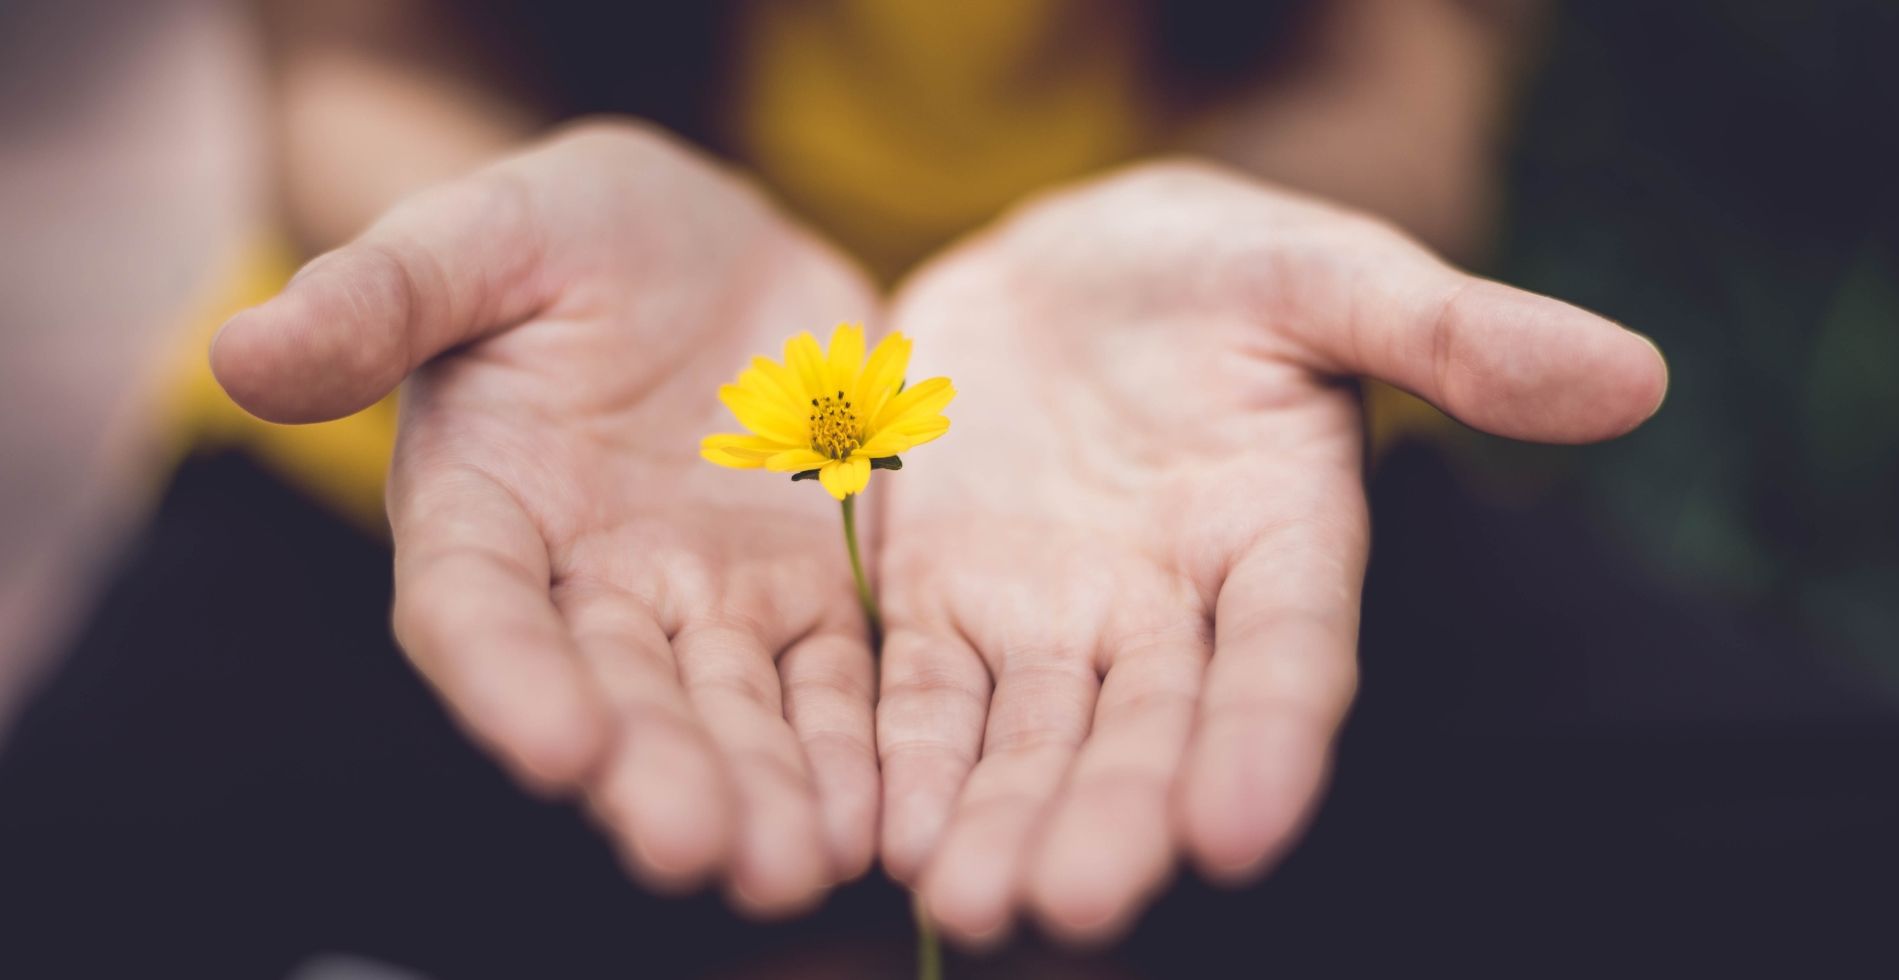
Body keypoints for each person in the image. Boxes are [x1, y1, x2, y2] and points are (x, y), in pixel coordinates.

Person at [2, 0, 1668, 970]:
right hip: (514, 450)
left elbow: (1402, 72)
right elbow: (352, 57)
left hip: (1181, 465)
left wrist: (1223, 238)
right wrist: (498, 230)